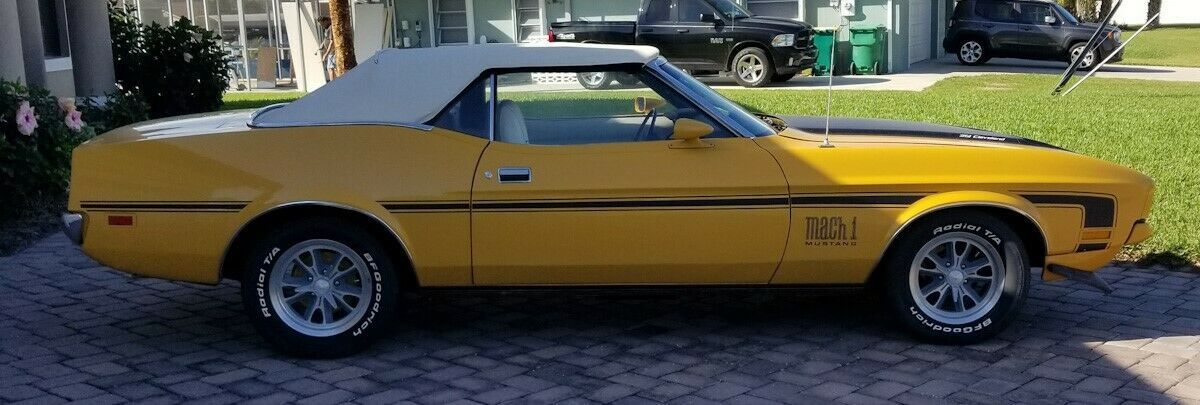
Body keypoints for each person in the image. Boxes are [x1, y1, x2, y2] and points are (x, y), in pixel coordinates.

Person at [318, 16, 335, 81]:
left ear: (326, 21)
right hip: (330, 52)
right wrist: (322, 44)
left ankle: (333, 84)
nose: (322, 26)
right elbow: (326, 38)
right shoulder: (326, 28)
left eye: (322, 24)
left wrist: (326, 54)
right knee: (330, 68)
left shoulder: (331, 28)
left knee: (331, 68)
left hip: (333, 52)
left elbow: (332, 41)